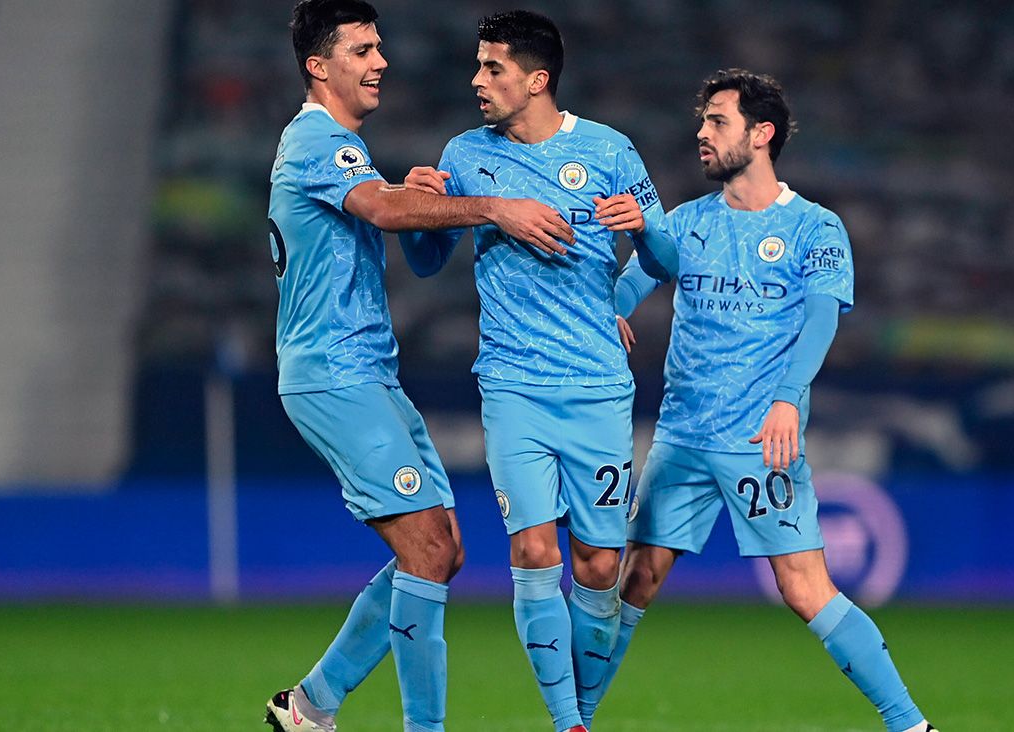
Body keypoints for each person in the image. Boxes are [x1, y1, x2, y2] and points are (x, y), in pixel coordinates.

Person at [587, 69, 939, 732]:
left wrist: (785, 399)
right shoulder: (684, 225)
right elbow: (634, 282)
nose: (702, 132)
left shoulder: (815, 227)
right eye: (703, 121)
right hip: (682, 437)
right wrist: (607, 313)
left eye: (717, 120)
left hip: (760, 440)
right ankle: (573, 721)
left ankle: (911, 725)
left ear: (761, 133)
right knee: (634, 580)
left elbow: (822, 318)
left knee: (804, 589)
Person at [263, 2, 577, 731]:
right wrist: (492, 207)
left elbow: (380, 201)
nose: (380, 62)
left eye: (380, 48)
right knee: (428, 548)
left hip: (366, 371)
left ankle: (310, 706)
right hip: (333, 375)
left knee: (441, 552)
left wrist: (411, 189)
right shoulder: (315, 138)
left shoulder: (338, 148)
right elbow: (382, 212)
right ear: (319, 66)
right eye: (363, 50)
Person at [397, 11, 678, 732]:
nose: (477, 80)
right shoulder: (464, 154)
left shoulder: (610, 151)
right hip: (513, 384)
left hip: (597, 389)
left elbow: (669, 261)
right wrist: (424, 202)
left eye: (493, 68)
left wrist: (644, 231)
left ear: (537, 79)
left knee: (596, 566)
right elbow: (428, 263)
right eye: (478, 65)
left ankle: (577, 711)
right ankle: (569, 723)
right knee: (533, 548)